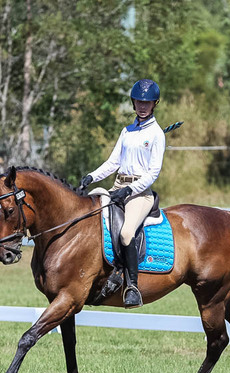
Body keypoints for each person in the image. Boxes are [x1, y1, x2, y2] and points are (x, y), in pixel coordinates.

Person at [79, 79, 165, 308]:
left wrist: (130, 189)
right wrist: (91, 177)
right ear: (133, 102)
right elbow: (113, 163)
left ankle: (132, 287)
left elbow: (153, 172)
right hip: (118, 187)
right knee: (91, 212)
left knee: (127, 233)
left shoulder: (157, 134)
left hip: (140, 193)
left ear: (154, 104)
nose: (142, 106)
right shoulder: (127, 131)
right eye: (138, 101)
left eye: (147, 102)